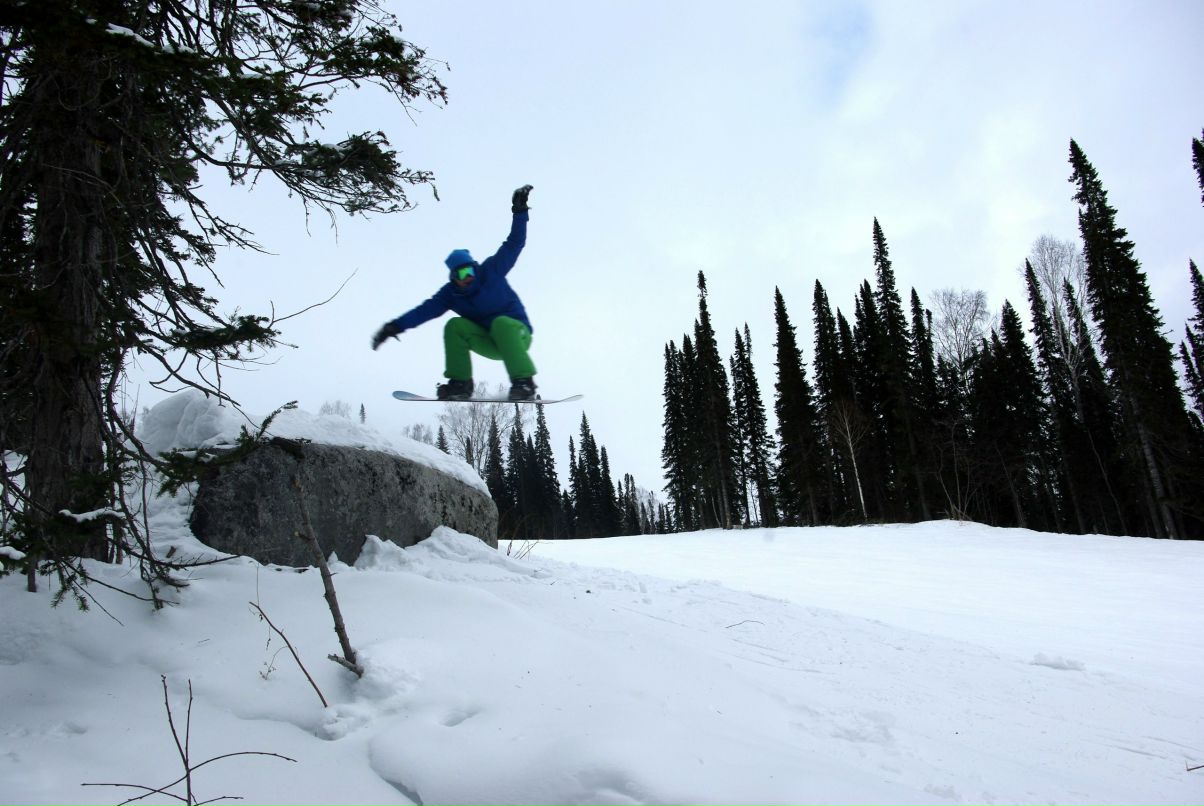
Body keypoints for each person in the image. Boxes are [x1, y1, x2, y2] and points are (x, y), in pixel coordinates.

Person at [372, 185, 538, 401]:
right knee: (454, 326)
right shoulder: (450, 294)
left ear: (474, 267)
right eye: (459, 275)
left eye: (468, 271)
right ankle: (460, 384)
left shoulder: (492, 270)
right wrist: (394, 327)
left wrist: (520, 212)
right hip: (488, 341)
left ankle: (524, 383)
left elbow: (514, 243)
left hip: (517, 336)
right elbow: (424, 311)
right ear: (453, 277)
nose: (465, 278)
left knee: (501, 323)